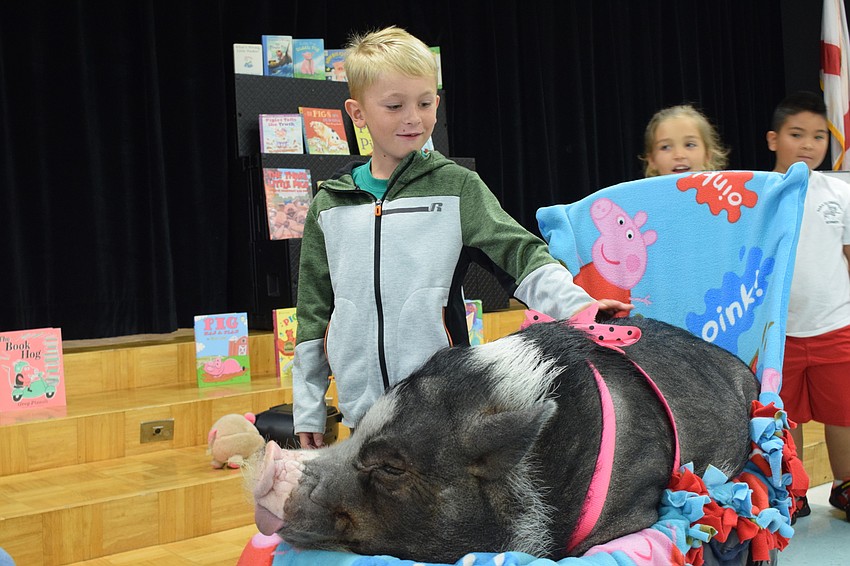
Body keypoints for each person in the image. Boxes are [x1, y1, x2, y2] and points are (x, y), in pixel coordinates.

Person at [292, 25, 631, 449]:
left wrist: (580, 307)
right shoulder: (329, 204)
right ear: (357, 113)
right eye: (394, 105)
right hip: (362, 413)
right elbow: (313, 312)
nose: (413, 117)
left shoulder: (457, 187)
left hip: (441, 404)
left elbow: (520, 255)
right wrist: (308, 404)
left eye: (425, 102)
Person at [766, 90, 850, 521]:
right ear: (773, 139)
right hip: (780, 333)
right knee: (784, 418)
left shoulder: (839, 192)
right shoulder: (757, 195)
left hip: (836, 325)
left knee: (845, 412)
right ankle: (792, 490)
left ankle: (845, 485)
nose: (808, 144)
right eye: (796, 134)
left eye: (818, 136)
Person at [640, 104, 729, 177]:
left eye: (689, 145)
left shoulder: (722, 197)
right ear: (652, 160)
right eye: (666, 147)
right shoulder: (644, 198)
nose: (679, 155)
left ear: (707, 155)